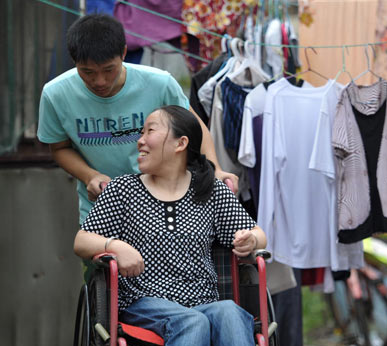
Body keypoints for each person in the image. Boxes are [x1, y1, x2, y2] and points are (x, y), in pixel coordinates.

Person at [73, 105, 280, 346]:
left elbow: (258, 233)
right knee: (193, 322)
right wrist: (114, 245)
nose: (140, 140)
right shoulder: (122, 190)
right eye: (141, 133)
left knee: (229, 311)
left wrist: (251, 240)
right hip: (144, 303)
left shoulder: (210, 192)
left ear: (180, 143)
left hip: (203, 299)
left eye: (150, 131)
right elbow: (82, 240)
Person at [37, 13, 238, 227]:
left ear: (123, 53)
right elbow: (59, 148)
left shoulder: (159, 84)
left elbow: (194, 127)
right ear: (73, 60)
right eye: (87, 72)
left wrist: (215, 168)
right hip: (103, 212)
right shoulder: (56, 94)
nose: (100, 81)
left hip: (167, 209)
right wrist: (90, 176)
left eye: (108, 70)